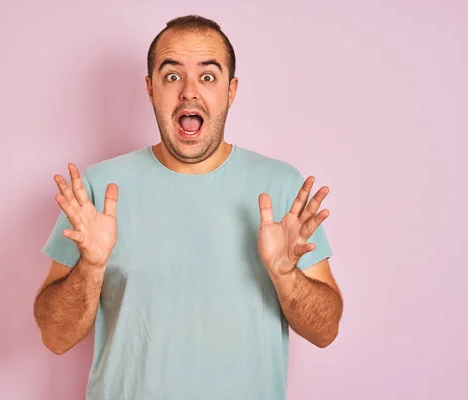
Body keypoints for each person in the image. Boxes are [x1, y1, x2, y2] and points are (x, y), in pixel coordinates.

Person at [33, 14, 343, 400]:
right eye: (173, 76)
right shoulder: (95, 189)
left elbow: (325, 330)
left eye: (208, 77)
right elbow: (55, 337)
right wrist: (91, 267)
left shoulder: (281, 187)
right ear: (150, 89)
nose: (189, 93)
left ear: (231, 91)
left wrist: (285, 276)